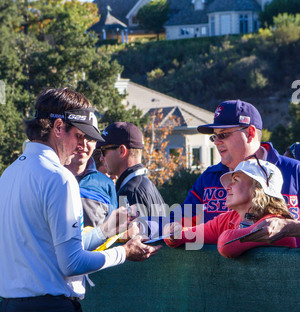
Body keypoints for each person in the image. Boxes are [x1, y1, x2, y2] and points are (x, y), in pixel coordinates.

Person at [0, 87, 161, 312]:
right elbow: (70, 262)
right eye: (81, 135)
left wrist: (105, 231)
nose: (85, 146)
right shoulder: (58, 179)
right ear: (58, 127)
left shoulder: (9, 175)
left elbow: (47, 245)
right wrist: (124, 252)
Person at [180, 100, 300, 232]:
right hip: (224, 251)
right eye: (214, 136)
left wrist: (288, 227)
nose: (216, 142)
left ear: (250, 133)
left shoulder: (295, 171)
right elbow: (178, 221)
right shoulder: (209, 178)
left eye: (223, 134)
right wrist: (155, 231)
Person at [164, 158, 296, 258]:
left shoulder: (274, 224)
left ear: (257, 188)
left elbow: (226, 244)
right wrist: (173, 234)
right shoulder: (230, 218)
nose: (227, 187)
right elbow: (187, 236)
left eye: (236, 180)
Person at [96, 122, 167, 218]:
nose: (101, 158)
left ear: (122, 151)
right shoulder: (144, 184)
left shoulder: (130, 192)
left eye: (103, 151)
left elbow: (131, 233)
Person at [65, 139, 118, 227]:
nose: (84, 144)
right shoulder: (51, 176)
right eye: (78, 136)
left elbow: (114, 230)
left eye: (90, 139)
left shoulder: (107, 184)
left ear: (95, 144)